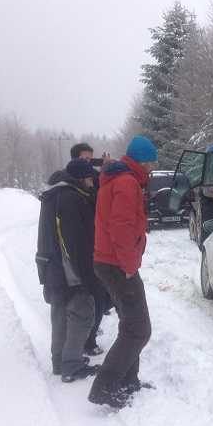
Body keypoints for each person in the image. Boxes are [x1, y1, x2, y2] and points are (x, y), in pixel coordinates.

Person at [88, 135, 158, 408]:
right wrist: (130, 266)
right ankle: (104, 388)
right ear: (140, 161)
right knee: (139, 329)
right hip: (117, 265)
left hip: (109, 262)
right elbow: (120, 228)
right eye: (150, 163)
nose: (152, 169)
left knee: (131, 324)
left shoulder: (122, 179)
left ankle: (128, 381)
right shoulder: (127, 183)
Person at [35, 159, 101, 382]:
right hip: (68, 267)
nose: (92, 183)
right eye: (91, 179)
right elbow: (76, 242)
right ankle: (71, 365)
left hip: (51, 264)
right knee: (82, 313)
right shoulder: (72, 199)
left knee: (60, 314)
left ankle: (59, 362)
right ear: (82, 179)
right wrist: (87, 275)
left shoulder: (54, 195)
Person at [49, 142, 110, 357]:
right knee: (80, 304)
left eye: (90, 159)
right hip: (72, 260)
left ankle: (73, 351)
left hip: (87, 254)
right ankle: (75, 352)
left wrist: (103, 174)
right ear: (74, 160)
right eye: (84, 159)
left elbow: (99, 201)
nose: (88, 164)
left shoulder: (84, 182)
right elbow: (74, 233)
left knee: (95, 301)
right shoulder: (67, 187)